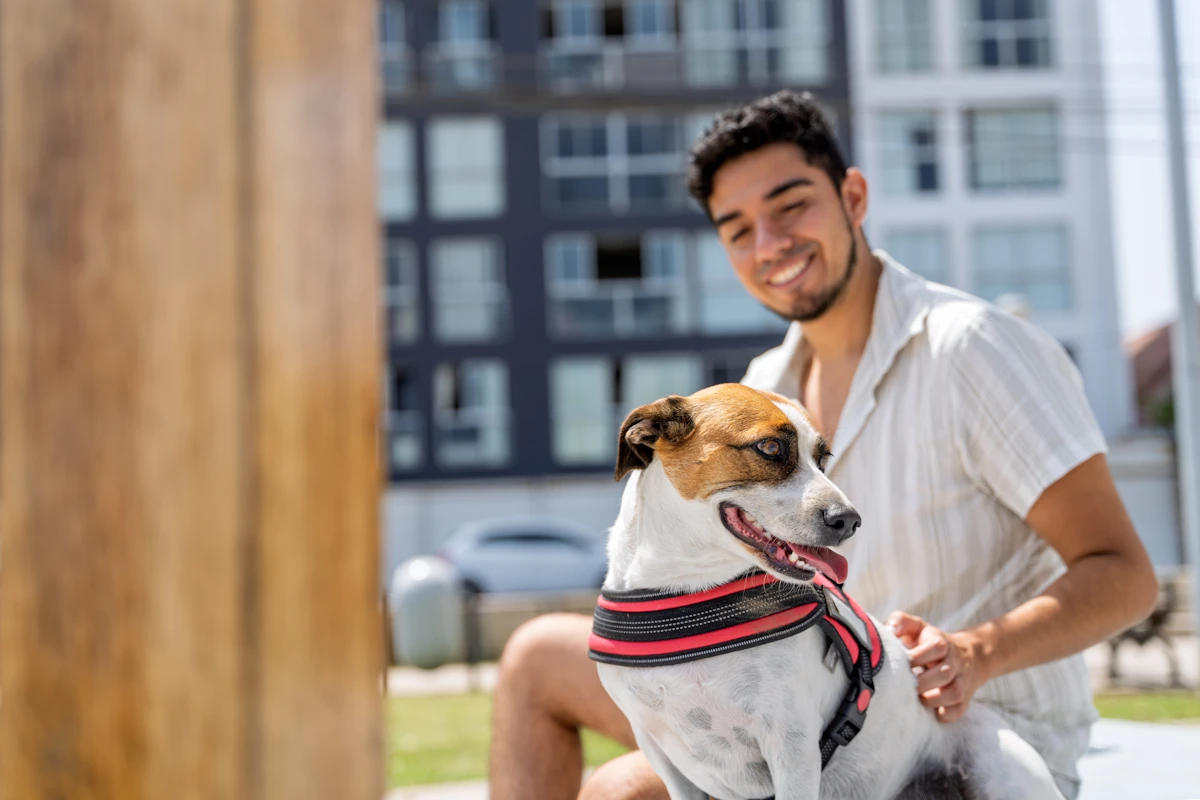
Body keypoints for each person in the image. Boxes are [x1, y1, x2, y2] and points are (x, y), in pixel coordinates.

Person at [488, 90, 1157, 800]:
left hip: (969, 734)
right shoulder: (762, 387)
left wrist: (974, 651)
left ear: (853, 197)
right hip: (799, 692)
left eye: (790, 206)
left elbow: (1126, 574)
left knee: (622, 789)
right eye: (738, 230)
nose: (769, 244)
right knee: (535, 656)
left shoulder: (971, 348)